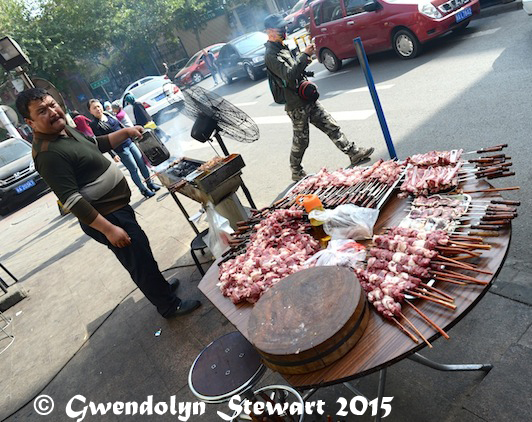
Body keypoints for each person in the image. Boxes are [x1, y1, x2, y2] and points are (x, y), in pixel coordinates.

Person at [15, 88, 201, 318]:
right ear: (29, 122)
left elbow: (96, 144)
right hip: (107, 216)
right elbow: (71, 200)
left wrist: (126, 132)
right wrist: (109, 230)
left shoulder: (64, 131)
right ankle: (168, 305)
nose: (53, 112)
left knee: (141, 252)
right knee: (138, 262)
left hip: (117, 209)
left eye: (53, 105)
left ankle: (160, 288)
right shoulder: (47, 154)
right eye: (42, 111)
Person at [263, 14, 374, 182]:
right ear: (270, 31)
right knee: (301, 141)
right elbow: (289, 75)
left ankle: (353, 153)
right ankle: (296, 170)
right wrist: (303, 56)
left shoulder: (282, 47)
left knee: (330, 125)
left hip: (306, 97)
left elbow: (295, 71)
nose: (285, 30)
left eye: (285, 27)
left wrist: (305, 64)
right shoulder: (270, 55)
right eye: (281, 28)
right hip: (296, 105)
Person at [87, 99, 160, 199]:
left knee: (142, 163)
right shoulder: (94, 125)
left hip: (129, 142)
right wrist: (113, 155)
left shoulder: (108, 114)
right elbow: (102, 142)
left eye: (98, 106)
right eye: (94, 108)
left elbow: (121, 126)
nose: (98, 109)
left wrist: (131, 135)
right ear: (90, 111)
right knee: (133, 169)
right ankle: (143, 190)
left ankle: (150, 183)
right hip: (120, 149)